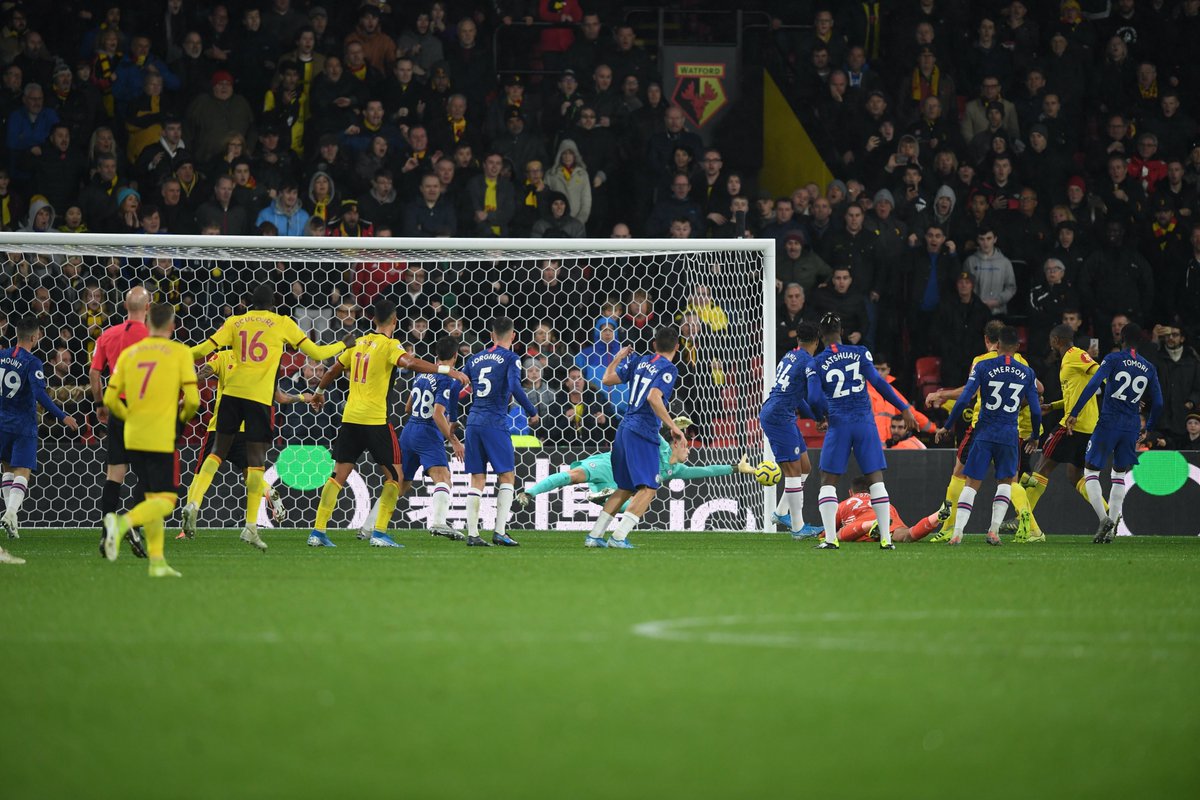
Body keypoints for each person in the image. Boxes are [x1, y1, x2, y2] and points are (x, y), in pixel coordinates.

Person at [181, 283, 348, 550]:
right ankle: (249, 527)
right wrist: (343, 343)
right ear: (274, 304)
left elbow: (201, 349)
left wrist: (169, 355)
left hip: (231, 396)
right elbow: (316, 353)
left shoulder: (235, 322)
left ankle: (193, 502)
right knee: (256, 464)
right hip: (257, 401)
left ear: (248, 302)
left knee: (215, 453)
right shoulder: (281, 322)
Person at [306, 299, 469, 548]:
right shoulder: (390, 345)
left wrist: (318, 390)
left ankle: (318, 532)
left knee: (338, 475)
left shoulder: (358, 343)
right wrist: (447, 371)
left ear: (373, 319)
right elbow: (410, 363)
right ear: (394, 321)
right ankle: (379, 533)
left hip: (350, 418)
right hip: (375, 421)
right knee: (396, 476)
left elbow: (333, 369)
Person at [101, 303, 199, 578]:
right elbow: (193, 400)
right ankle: (122, 524)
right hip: (160, 433)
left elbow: (109, 399)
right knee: (167, 500)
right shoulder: (179, 352)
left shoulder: (130, 354)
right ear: (171, 326)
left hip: (133, 433)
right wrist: (180, 420)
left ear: (149, 324)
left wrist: (127, 415)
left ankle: (157, 561)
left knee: (152, 495)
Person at [175, 345, 311, 540]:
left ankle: (189, 519)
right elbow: (279, 397)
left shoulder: (222, 356)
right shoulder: (262, 363)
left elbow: (202, 374)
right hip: (248, 429)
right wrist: (301, 397)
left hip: (221, 428)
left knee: (202, 473)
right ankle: (268, 491)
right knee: (250, 474)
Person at [806, 313, 917, 550]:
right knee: (876, 479)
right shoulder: (861, 353)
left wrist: (820, 416)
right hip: (865, 423)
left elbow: (814, 397)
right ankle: (886, 540)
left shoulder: (815, 363)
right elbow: (879, 383)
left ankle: (830, 540)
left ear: (820, 336)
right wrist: (904, 408)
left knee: (828, 481)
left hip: (839, 423)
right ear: (842, 331)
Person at [935, 326, 1042, 546]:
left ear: (997, 345)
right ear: (1018, 347)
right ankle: (993, 531)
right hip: (1009, 435)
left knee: (970, 482)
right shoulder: (1027, 372)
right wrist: (1034, 436)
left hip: (984, 432)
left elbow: (965, 399)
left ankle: (957, 533)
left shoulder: (983, 365)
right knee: (1005, 482)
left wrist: (947, 425)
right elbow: (1036, 408)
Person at [583, 326, 686, 549]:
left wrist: (618, 358)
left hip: (624, 428)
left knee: (626, 487)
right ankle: (619, 537)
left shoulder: (640, 360)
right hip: (642, 431)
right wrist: (673, 427)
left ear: (654, 345)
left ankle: (594, 536)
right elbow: (653, 397)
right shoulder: (668, 368)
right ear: (677, 347)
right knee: (649, 487)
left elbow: (607, 379)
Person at [1064, 322, 1164, 542]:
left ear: (1122, 339)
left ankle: (1103, 519)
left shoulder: (1113, 359)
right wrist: (1148, 427)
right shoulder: (1148, 367)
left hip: (1108, 422)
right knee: (1118, 474)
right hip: (1130, 427)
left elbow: (1093, 385)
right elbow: (1158, 402)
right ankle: (1111, 529)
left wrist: (1075, 411)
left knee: (1090, 471)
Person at [517, 417, 753, 508]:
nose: (690, 450)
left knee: (632, 505)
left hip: (621, 483)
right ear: (675, 442)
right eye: (687, 444)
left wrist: (735, 468)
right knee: (573, 476)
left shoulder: (675, 470)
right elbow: (652, 426)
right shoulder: (659, 444)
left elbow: (706, 470)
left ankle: (602, 502)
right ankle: (529, 493)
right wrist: (672, 424)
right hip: (610, 464)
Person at [0, 317, 79, 555]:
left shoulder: (1, 355)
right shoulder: (32, 362)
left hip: (1, 422)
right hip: (23, 425)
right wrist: (62, 416)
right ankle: (11, 513)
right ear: (35, 337)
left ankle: (11, 522)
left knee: (7, 469)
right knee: (22, 471)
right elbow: (39, 394)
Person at [461, 317, 539, 547]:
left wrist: (454, 417)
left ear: (492, 335)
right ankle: (500, 531)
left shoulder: (474, 358)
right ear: (513, 336)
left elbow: (461, 390)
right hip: (495, 421)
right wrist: (531, 410)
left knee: (477, 478)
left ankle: (473, 535)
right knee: (506, 475)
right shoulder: (511, 358)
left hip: (473, 421)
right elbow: (515, 386)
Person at [88, 286, 151, 557]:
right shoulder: (153, 337)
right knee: (149, 474)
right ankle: (133, 526)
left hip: (116, 407)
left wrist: (100, 404)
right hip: (143, 409)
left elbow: (93, 373)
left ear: (126, 307)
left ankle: (106, 535)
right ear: (147, 308)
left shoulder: (108, 335)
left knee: (114, 474)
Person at [1022, 323, 1103, 530]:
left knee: (1042, 466)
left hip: (1072, 424)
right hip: (1086, 425)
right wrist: (1054, 405)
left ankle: (1024, 521)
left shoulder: (1077, 355)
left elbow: (1100, 372)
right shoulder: (1069, 359)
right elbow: (1075, 393)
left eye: (1051, 340)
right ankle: (1108, 513)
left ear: (1056, 340)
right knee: (1074, 475)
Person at [397, 335, 467, 541]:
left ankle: (369, 526)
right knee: (443, 478)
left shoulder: (422, 375)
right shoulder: (445, 378)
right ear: (455, 357)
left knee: (400, 484)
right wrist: (454, 441)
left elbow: (407, 407)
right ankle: (438, 523)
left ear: (436, 354)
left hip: (409, 430)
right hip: (427, 432)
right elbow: (437, 414)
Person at [758, 321, 824, 538]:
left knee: (805, 467)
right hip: (778, 416)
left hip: (782, 413)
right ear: (817, 341)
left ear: (798, 339)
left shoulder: (790, 355)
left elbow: (798, 397)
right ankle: (798, 527)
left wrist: (815, 417)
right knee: (793, 471)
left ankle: (780, 512)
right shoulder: (809, 362)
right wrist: (823, 416)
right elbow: (812, 398)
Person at [833, 475, 945, 543]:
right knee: (906, 535)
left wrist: (822, 533)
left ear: (850, 492)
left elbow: (831, 529)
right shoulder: (886, 504)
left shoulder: (844, 504)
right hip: (885, 513)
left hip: (860, 525)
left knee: (838, 535)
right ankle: (936, 516)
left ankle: (872, 524)